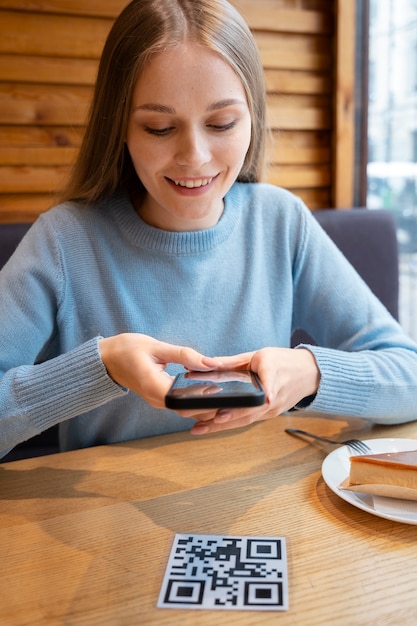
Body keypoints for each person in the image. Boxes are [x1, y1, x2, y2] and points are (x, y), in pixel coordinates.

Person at [1, 0, 417, 458]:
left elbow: (408, 375)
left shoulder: (280, 221)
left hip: (256, 502)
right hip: (107, 520)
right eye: (159, 127)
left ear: (252, 119)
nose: (194, 156)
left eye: (221, 123)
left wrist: (310, 373)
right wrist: (102, 368)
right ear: (119, 126)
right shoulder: (64, 241)